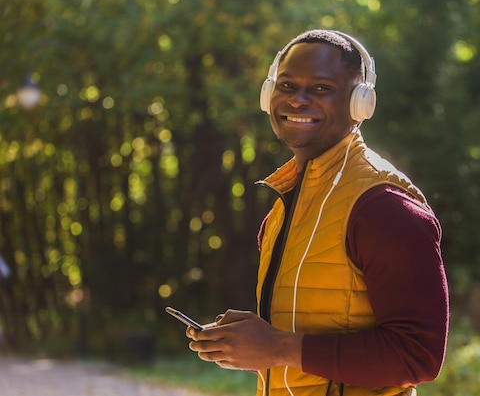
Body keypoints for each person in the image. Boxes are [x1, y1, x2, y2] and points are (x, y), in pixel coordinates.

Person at [187, 29, 449, 396]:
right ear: (268, 95)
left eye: (322, 88)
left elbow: (418, 356)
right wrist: (247, 343)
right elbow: (299, 345)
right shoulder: (284, 206)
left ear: (360, 103)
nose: (298, 101)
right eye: (287, 86)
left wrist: (277, 346)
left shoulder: (384, 208)